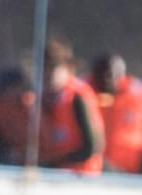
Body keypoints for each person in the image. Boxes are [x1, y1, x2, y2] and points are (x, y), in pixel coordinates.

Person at [88, 52, 142, 174]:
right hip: (91, 177)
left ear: (121, 76)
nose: (105, 80)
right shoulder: (82, 102)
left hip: (128, 180)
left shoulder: (140, 109)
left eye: (111, 75)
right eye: (101, 75)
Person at [36, 37, 103, 173]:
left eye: (53, 67)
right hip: (53, 177)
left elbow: (92, 146)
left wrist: (57, 162)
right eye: (44, 67)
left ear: (68, 69)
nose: (47, 73)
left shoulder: (77, 97)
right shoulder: (43, 99)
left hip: (80, 178)